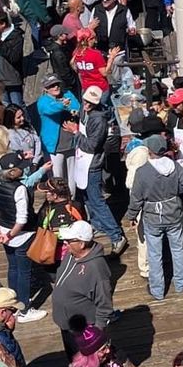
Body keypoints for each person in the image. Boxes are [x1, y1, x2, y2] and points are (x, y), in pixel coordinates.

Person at [127, 135, 183, 300]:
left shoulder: (143, 172)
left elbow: (136, 198)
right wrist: (175, 191)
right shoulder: (174, 166)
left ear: (149, 151)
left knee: (154, 254)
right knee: (178, 249)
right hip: (174, 213)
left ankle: (158, 291)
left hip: (153, 217)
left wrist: (132, 215)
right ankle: (180, 284)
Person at [0, 153, 43, 320]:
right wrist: (10, 234)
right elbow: (22, 219)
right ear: (13, 171)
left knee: (13, 267)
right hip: (22, 234)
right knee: (24, 271)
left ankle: (11, 302)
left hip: (3, 230)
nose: (23, 168)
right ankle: (24, 309)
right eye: (20, 166)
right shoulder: (19, 189)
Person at [51, 220, 115, 351]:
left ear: (81, 243)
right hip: (67, 326)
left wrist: (96, 334)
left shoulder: (97, 268)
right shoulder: (70, 255)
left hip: (84, 331)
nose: (65, 243)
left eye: (69, 241)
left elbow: (104, 304)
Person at [76, 86, 125, 253]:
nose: (86, 105)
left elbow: (91, 146)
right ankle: (98, 224)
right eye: (85, 101)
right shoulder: (84, 111)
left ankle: (116, 236)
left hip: (92, 165)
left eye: (91, 103)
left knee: (97, 200)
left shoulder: (99, 120)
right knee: (88, 198)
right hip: (82, 163)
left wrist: (76, 133)